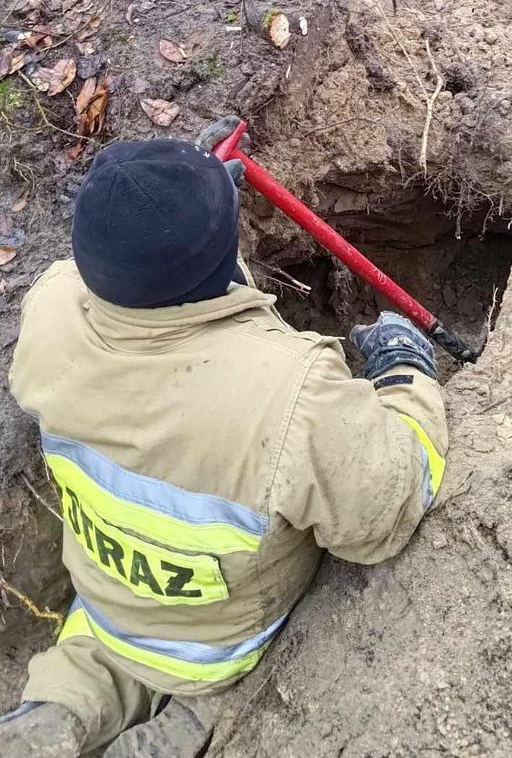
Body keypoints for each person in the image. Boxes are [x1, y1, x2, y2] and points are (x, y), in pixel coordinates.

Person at [1, 117, 448, 757]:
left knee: (86, 673)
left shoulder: (49, 310)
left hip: (104, 609)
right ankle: (190, 721)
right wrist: (405, 371)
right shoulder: (287, 396)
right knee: (196, 692)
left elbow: (152, 294)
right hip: (216, 646)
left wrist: (199, 226)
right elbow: (387, 507)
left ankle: (51, 717)